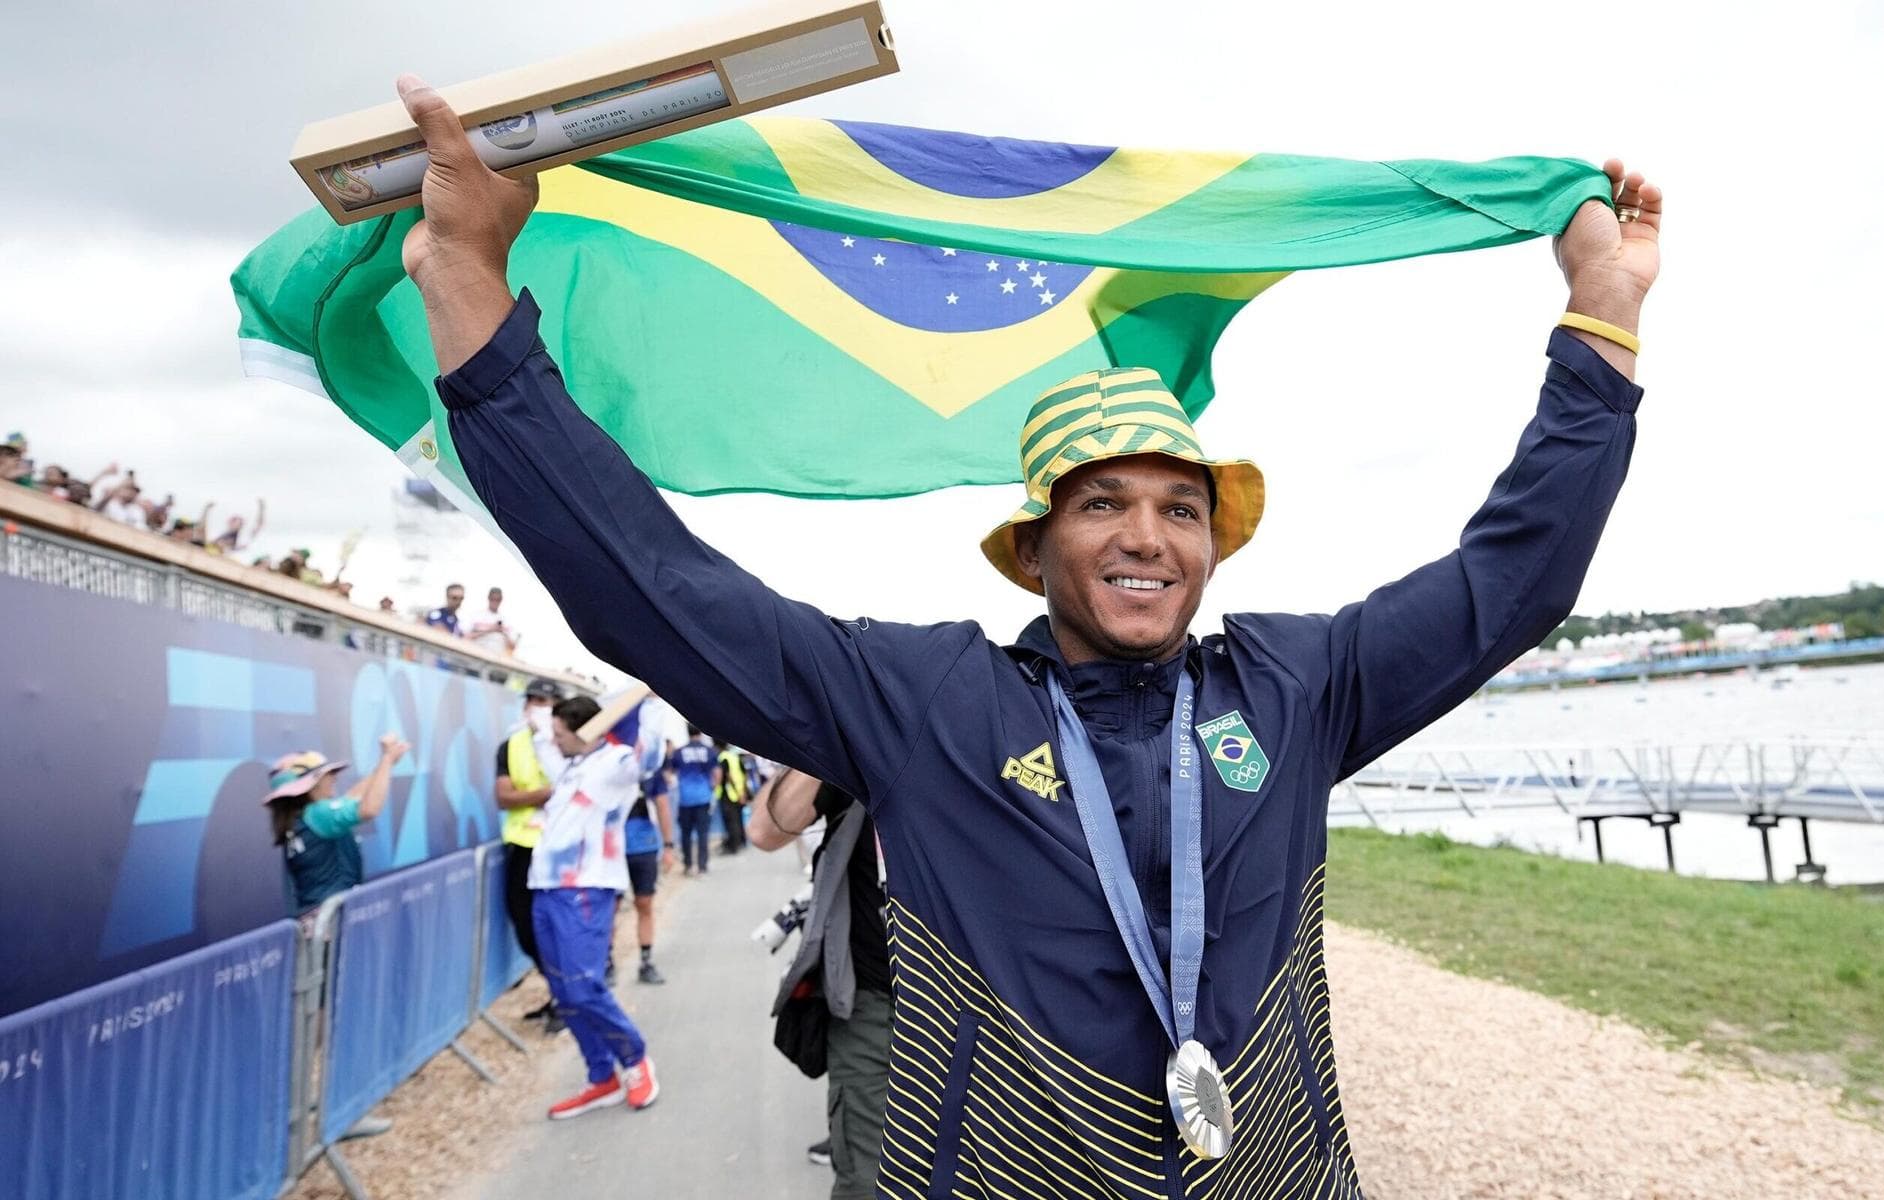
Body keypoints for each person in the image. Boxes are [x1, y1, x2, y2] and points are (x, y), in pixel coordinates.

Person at [396, 74, 1659, 1197]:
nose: (1146, 538)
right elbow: (652, 593)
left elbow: (1518, 578)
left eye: (1180, 507)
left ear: (1215, 545)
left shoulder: (1299, 684)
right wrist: (471, 292)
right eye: (1101, 503)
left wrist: (1602, 317)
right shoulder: (925, 698)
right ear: (1037, 546)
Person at [752, 769, 892, 1200]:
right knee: (867, 1181)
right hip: (874, 1003)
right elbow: (765, 830)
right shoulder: (859, 740)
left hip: (983, 1007)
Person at [528, 694, 660, 1118]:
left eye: (561, 734)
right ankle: (601, 1077)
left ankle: (636, 1061)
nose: (555, 740)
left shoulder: (616, 762)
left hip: (585, 888)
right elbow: (539, 736)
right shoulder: (571, 765)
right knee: (566, 994)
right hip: (546, 888)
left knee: (585, 987)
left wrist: (647, 697)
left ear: (586, 730)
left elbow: (650, 755)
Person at [264, 735, 408, 913]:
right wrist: (387, 759)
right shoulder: (319, 814)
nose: (334, 779)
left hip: (315, 922)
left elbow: (351, 798)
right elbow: (369, 809)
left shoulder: (301, 816)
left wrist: (387, 762)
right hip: (333, 924)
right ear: (311, 784)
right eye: (327, 774)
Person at [494, 678, 563, 1032]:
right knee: (525, 926)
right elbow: (504, 797)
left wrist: (549, 792)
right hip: (523, 846)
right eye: (533, 700)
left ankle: (568, 1000)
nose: (538, 706)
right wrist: (547, 793)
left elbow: (573, 788)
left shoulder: (569, 743)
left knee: (558, 927)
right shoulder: (512, 744)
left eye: (545, 700)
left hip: (560, 849)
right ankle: (559, 994)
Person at [625, 756, 676, 985]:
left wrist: (668, 846)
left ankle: (646, 961)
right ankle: (605, 964)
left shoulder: (648, 766)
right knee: (609, 908)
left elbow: (662, 805)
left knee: (644, 904)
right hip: (608, 849)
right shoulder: (599, 760)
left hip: (643, 846)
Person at [665, 729, 721, 876]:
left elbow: (668, 774)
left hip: (685, 799)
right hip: (703, 797)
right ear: (700, 733)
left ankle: (688, 865)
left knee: (686, 834)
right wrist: (712, 788)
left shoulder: (679, 752)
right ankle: (702, 867)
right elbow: (717, 774)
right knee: (703, 834)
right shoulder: (710, 751)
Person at [714, 737, 752, 855]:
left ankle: (733, 846)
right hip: (739, 793)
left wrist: (736, 790)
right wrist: (743, 792)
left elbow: (728, 775)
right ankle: (742, 841)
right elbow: (744, 774)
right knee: (739, 819)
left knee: (731, 821)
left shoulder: (722, 758)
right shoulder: (734, 756)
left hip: (728, 794)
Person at [469, 585, 518, 656]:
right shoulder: (476, 615)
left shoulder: (506, 620)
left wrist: (503, 632)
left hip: (496, 658)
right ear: (488, 598)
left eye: (498, 599)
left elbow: (512, 647)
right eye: (493, 599)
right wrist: (491, 629)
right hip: (476, 654)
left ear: (501, 600)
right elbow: (466, 637)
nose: (495, 602)